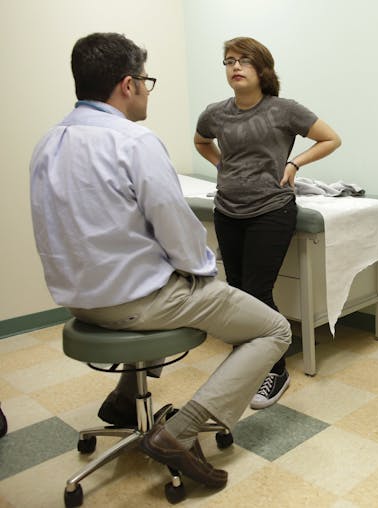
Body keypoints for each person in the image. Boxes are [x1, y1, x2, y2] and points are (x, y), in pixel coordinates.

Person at [29, 32, 292, 489]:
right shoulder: (134, 142)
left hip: (79, 301)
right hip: (136, 301)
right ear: (128, 85)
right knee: (274, 328)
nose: (147, 91)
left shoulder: (48, 143)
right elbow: (180, 234)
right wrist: (203, 275)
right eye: (146, 82)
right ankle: (179, 433)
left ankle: (124, 398)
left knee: (154, 274)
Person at [194, 36, 341, 410]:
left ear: (262, 69)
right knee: (237, 289)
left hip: (271, 210)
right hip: (227, 209)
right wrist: (221, 165)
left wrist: (293, 164)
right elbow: (201, 142)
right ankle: (248, 358)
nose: (235, 67)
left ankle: (275, 369)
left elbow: (330, 138)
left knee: (258, 290)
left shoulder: (283, 110)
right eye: (229, 61)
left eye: (244, 61)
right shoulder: (215, 113)